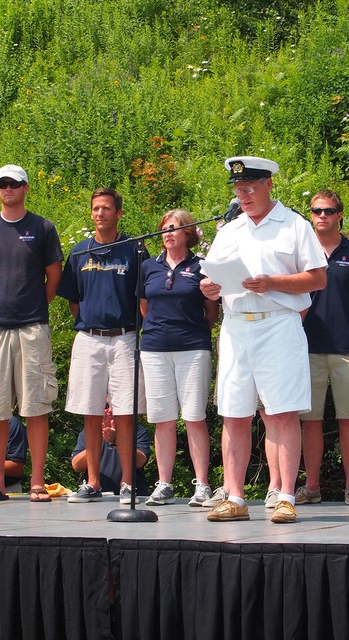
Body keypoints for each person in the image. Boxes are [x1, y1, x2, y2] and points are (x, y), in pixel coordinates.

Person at [200, 156, 327, 524]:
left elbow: (318, 278)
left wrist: (272, 282)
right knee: (234, 412)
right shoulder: (229, 230)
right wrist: (208, 288)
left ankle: (286, 495)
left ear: (269, 184)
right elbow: (213, 278)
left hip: (278, 324)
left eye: (250, 188)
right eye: (238, 190)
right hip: (237, 325)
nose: (243, 195)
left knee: (282, 411)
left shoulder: (294, 225)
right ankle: (235, 496)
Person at [0, 164, 63, 502]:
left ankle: (37, 482)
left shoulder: (43, 228)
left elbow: (54, 277)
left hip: (33, 328)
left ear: (26, 188)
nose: (8, 189)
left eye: (14, 184)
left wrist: (35, 306)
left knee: (37, 406)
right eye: (2, 184)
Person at [58, 187, 146, 504]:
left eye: (106, 208)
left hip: (123, 337)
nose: (100, 213)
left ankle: (126, 483)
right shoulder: (79, 252)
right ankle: (92, 482)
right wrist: (91, 322)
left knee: (124, 412)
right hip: (89, 338)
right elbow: (73, 301)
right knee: (90, 411)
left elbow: (143, 297)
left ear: (118, 213)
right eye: (95, 208)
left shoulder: (134, 250)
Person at [295, 190, 349, 507]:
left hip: (346, 348)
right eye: (316, 210)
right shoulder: (300, 250)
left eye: (328, 210)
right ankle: (312, 486)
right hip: (305, 348)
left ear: (340, 214)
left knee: (348, 420)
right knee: (309, 421)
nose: (321, 215)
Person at [140, 209, 219, 507]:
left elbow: (211, 310)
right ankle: (165, 483)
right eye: (164, 228)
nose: (168, 233)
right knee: (162, 419)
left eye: (174, 228)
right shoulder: (148, 266)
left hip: (193, 347)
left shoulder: (201, 266)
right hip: (155, 348)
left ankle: (202, 485)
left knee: (194, 417)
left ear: (188, 232)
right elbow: (145, 307)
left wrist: (192, 330)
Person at [71, 404, 152, 495]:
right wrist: (97, 441)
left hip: (133, 496)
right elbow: (76, 466)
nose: (109, 410)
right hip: (98, 497)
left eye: (114, 406)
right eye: (105, 406)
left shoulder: (137, 430)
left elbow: (140, 461)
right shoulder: (88, 433)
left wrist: (116, 441)